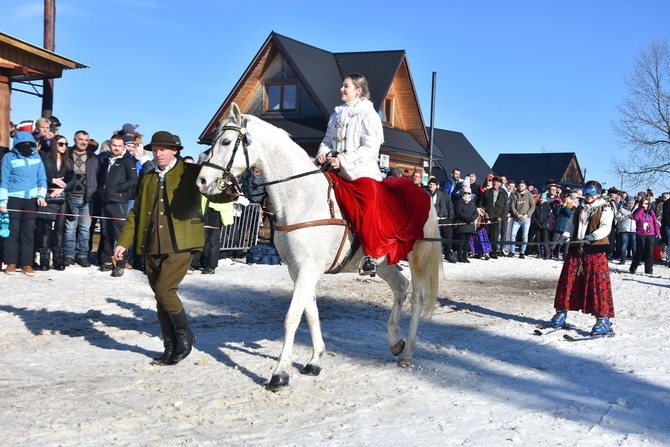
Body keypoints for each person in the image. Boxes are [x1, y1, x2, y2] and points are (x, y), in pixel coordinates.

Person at [114, 131, 233, 366]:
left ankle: (185, 335)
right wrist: (122, 242)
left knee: (166, 291)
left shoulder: (190, 173)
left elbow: (216, 196)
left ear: (174, 151)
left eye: (163, 149)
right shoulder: (148, 178)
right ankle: (169, 347)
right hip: (151, 244)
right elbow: (136, 213)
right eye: (155, 149)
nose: (158, 153)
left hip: (181, 243)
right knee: (160, 298)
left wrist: (228, 192)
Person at [315, 73, 429, 277]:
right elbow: (326, 140)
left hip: (362, 172)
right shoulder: (336, 115)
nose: (342, 89)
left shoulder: (368, 114)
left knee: (367, 201)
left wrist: (344, 160)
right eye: (343, 86)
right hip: (336, 170)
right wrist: (322, 153)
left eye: (346, 86)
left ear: (358, 91)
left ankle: (370, 254)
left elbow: (370, 147)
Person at [551, 181, 615, 336]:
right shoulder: (580, 207)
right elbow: (570, 226)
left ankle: (603, 319)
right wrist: (565, 235)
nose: (588, 195)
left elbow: (606, 227)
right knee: (568, 281)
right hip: (576, 250)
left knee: (597, 285)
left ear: (599, 193)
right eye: (586, 192)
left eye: (592, 192)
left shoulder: (605, 207)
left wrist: (593, 236)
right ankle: (561, 313)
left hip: (595, 250)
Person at [0, 132, 47, 276]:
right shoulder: (9, 157)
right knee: (13, 231)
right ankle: (11, 262)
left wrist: (41, 195)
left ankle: (26, 263)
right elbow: (4, 180)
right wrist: (3, 201)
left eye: (29, 144)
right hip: (14, 197)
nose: (27, 146)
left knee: (28, 232)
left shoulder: (36, 157)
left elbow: (42, 178)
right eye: (23, 144)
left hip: (31, 199)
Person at [97, 135, 138, 276]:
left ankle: (121, 263)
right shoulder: (106, 160)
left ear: (123, 147)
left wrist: (118, 189)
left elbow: (133, 180)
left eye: (119, 146)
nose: (116, 148)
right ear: (110, 145)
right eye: (114, 145)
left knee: (119, 234)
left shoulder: (127, 161)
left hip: (119, 201)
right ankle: (107, 259)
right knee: (105, 231)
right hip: (105, 201)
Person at [35, 134, 73, 271]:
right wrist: (52, 181)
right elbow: (40, 175)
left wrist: (62, 187)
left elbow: (72, 179)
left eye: (65, 144)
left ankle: (58, 260)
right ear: (54, 145)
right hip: (48, 195)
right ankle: (44, 260)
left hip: (62, 197)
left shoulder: (68, 161)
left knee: (59, 229)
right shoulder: (45, 159)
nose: (64, 147)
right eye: (61, 144)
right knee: (45, 229)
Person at [64, 130, 99, 267]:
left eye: (86, 140)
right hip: (71, 197)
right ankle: (68, 255)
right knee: (70, 228)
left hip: (88, 198)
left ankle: (82, 255)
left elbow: (97, 176)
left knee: (85, 229)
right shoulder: (67, 155)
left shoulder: (93, 158)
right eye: (81, 139)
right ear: (74, 140)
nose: (83, 142)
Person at [426, 177, 456, 262]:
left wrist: (440, 216)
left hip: (442, 217)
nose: (431, 186)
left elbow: (443, 206)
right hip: (430, 219)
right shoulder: (425, 193)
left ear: (437, 186)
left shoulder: (441, 194)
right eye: (430, 184)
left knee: (447, 237)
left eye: (433, 184)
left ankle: (447, 254)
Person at [629, 196, 661, 275]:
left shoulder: (651, 212)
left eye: (647, 203)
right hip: (641, 233)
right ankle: (633, 268)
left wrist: (658, 232)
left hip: (651, 234)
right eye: (644, 203)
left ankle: (649, 270)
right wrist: (641, 208)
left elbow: (655, 223)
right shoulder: (638, 211)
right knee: (640, 251)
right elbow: (636, 218)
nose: (645, 205)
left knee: (649, 252)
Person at [479, 175, 506, 258]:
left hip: (497, 217)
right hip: (487, 216)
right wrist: (483, 212)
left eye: (497, 182)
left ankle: (493, 252)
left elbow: (505, 208)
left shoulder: (503, 194)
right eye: (494, 181)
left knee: (495, 236)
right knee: (486, 234)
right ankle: (485, 251)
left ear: (500, 184)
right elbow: (480, 203)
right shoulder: (487, 192)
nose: (495, 183)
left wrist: (502, 217)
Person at [453, 184, 478, 263]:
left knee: (467, 242)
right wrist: (467, 218)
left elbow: (476, 213)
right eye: (465, 193)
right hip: (462, 224)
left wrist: (472, 218)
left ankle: (465, 256)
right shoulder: (458, 202)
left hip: (470, 225)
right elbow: (459, 212)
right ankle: (460, 256)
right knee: (461, 241)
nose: (467, 195)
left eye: (468, 193)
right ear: (462, 193)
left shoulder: (472, 203)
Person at [509, 180, 535, 258]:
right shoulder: (514, 195)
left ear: (525, 186)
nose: (520, 187)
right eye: (519, 185)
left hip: (526, 218)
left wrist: (527, 214)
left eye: (522, 186)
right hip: (517, 218)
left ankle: (522, 252)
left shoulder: (529, 195)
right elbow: (512, 206)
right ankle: (512, 251)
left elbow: (532, 206)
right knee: (513, 235)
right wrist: (517, 215)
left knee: (525, 236)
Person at [617, 196, 637, 265]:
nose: (631, 205)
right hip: (624, 229)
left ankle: (635, 259)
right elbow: (618, 218)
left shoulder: (636, 209)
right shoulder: (621, 208)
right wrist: (626, 217)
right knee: (624, 244)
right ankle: (622, 259)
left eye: (632, 203)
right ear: (626, 203)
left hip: (634, 229)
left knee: (634, 245)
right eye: (629, 203)